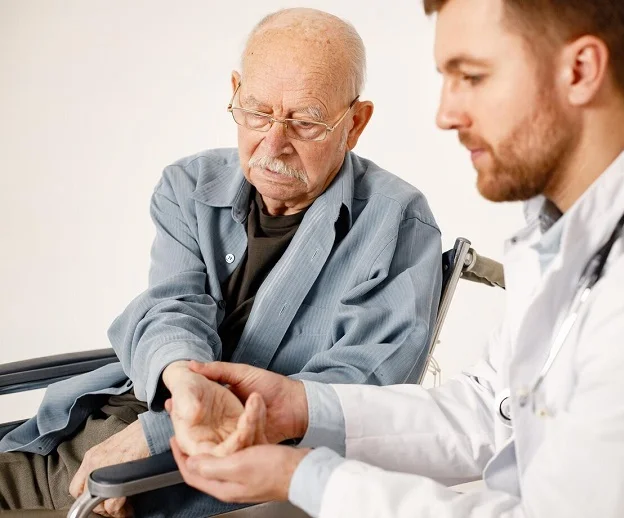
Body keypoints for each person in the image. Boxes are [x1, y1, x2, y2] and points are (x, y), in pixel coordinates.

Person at [167, 0, 624, 517]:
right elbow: (488, 413)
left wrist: (307, 478)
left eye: (472, 76)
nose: (445, 113)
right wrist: (294, 406)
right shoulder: (569, 234)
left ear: (581, 70)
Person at [0, 8, 442, 518]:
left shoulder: (397, 224)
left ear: (355, 123)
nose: (274, 143)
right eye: (257, 112)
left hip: (190, 481)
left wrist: (162, 436)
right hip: (101, 426)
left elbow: (359, 397)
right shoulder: (188, 187)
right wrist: (180, 383)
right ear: (235, 91)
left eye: (306, 120)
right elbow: (172, 308)